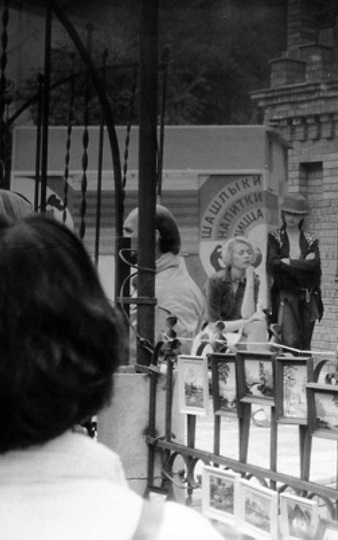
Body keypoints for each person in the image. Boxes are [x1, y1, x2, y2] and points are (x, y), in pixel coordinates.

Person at [0, 214, 224, 540]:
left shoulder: (175, 287)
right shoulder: (179, 532)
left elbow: (164, 350)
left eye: (130, 231)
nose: (123, 239)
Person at [123, 205, 205, 354]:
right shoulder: (163, 280)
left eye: (128, 231)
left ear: (153, 236)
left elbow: (167, 357)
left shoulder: (171, 290)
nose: (123, 238)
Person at [267, 193, 324, 353]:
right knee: (290, 341)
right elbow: (274, 265)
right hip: (286, 294)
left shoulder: (311, 239)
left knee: (305, 345)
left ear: (302, 217)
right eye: (288, 213)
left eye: (296, 215)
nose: (292, 218)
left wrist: (290, 262)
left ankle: (303, 370)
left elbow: (315, 269)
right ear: (283, 213)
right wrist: (303, 266)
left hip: (308, 297)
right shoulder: (275, 237)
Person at [203, 235, 268, 351]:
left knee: (259, 325)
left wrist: (250, 280)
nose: (246, 256)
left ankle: (255, 360)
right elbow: (214, 325)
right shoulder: (215, 281)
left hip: (240, 329)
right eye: (241, 253)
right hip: (217, 331)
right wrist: (247, 321)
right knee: (256, 343)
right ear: (230, 257)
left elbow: (247, 315)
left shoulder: (254, 281)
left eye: (249, 252)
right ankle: (255, 357)